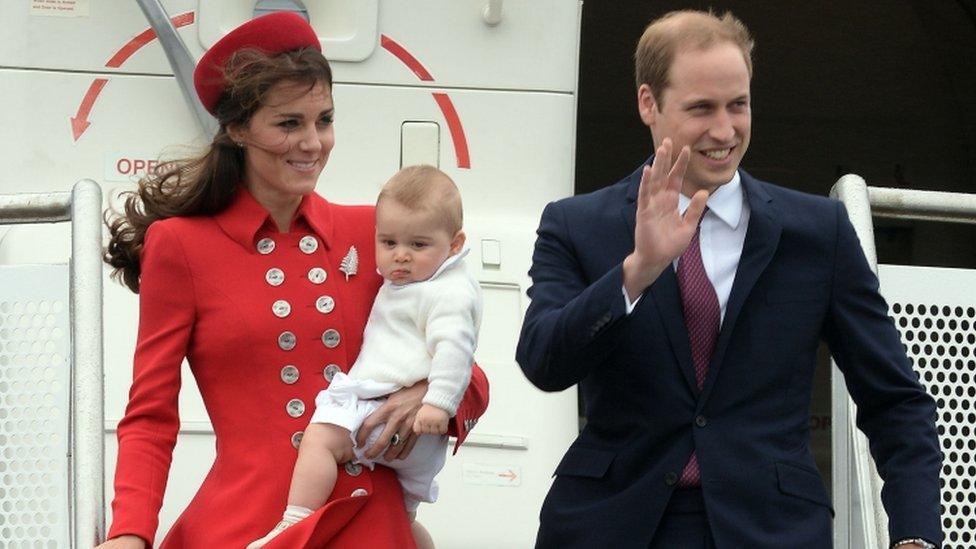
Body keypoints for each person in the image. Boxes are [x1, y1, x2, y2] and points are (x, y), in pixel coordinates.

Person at [516, 9, 941, 549]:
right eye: (701, 109)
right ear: (649, 103)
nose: (725, 130)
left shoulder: (818, 232)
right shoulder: (576, 225)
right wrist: (636, 272)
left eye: (737, 105)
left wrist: (916, 536)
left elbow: (895, 400)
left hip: (771, 529)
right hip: (610, 524)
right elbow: (543, 363)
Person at [98, 12, 488, 549]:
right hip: (251, 520)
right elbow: (150, 415)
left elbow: (465, 360)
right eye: (288, 124)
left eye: (323, 120)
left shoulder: (373, 233)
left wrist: (423, 393)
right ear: (237, 130)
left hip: (367, 518)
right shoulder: (181, 245)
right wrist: (130, 533)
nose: (313, 142)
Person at [248, 165, 483, 548]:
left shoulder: (447, 292)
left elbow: (458, 350)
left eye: (418, 246)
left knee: (322, 438)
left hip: (387, 413)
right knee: (402, 519)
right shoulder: (426, 278)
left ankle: (292, 523)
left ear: (455, 245)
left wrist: (436, 402)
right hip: (420, 444)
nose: (401, 256)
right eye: (389, 243)